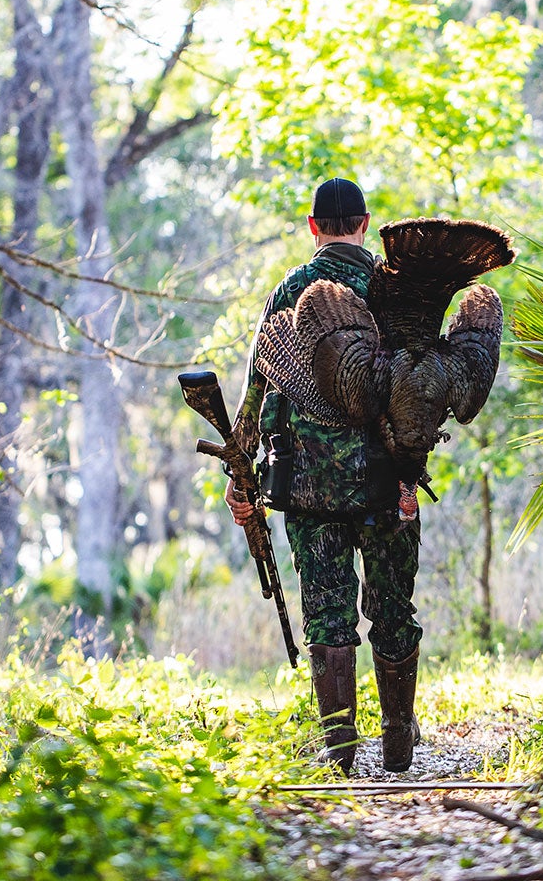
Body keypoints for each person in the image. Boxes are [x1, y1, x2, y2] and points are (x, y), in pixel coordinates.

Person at [226, 178, 422, 774]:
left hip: (305, 487)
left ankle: (341, 756)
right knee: (392, 608)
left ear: (314, 227)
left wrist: (241, 478)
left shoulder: (288, 290)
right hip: (386, 483)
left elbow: (259, 392)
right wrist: (410, 478)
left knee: (327, 614)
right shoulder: (394, 290)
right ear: (364, 223)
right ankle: (397, 748)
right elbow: (416, 391)